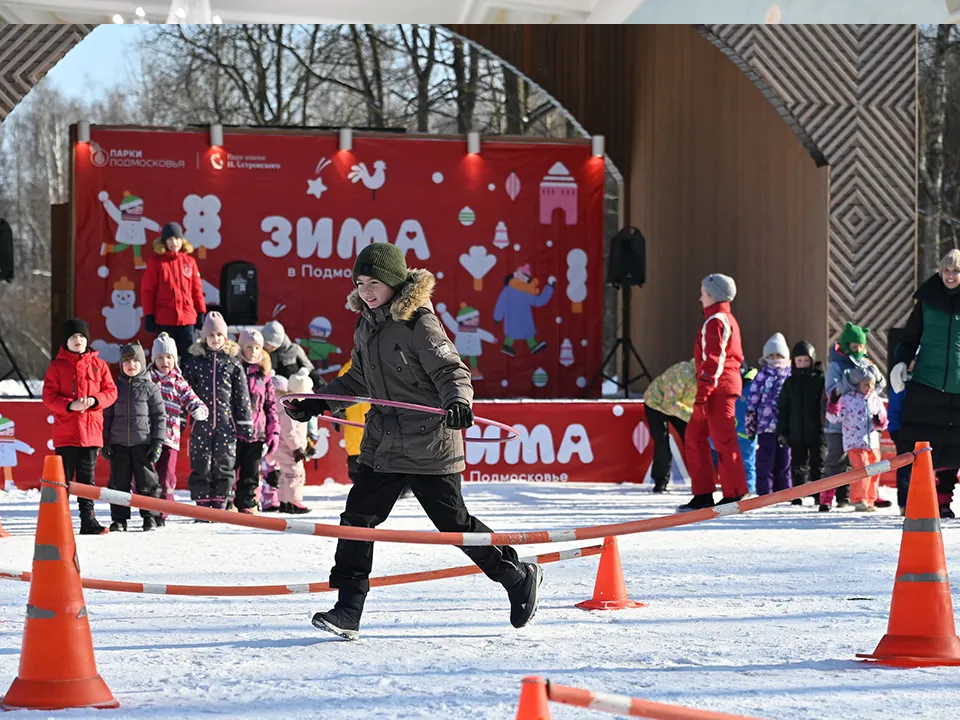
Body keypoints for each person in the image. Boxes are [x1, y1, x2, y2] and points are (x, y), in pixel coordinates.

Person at [285, 242, 542, 640]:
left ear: (394, 282)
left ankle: (516, 575)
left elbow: (451, 371)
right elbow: (358, 381)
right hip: (383, 443)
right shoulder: (366, 324)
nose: (367, 290)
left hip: (428, 443)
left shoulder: (418, 322)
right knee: (357, 521)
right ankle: (348, 609)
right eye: (360, 282)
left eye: (374, 282)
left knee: (453, 525)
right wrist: (318, 403)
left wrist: (458, 401)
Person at [892, 248, 960, 519]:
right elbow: (910, 337)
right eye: (946, 270)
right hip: (927, 384)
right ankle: (915, 500)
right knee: (919, 445)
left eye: (955, 271)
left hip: (958, 388)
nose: (950, 276)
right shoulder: (926, 302)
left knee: (954, 448)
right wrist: (900, 362)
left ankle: (943, 501)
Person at [679, 274, 748, 511]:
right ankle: (703, 493)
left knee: (722, 440)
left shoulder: (716, 321)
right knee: (695, 437)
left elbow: (713, 362)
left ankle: (734, 493)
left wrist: (703, 396)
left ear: (714, 295)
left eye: (704, 293)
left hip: (718, 389)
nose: (700, 298)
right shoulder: (722, 318)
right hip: (719, 387)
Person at [42, 318, 118, 535]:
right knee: (62, 480)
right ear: (66, 341)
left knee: (87, 480)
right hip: (66, 433)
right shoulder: (56, 366)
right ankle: (59, 522)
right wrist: (70, 405)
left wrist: (95, 400)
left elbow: (111, 392)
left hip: (91, 434)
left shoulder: (99, 365)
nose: (78, 340)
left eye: (82, 337)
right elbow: (48, 397)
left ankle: (88, 520)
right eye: (73, 337)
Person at [183, 311, 253, 511]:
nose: (215, 340)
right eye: (212, 336)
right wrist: (182, 418)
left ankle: (222, 500)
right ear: (205, 337)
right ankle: (203, 502)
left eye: (219, 336)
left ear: (225, 337)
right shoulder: (194, 363)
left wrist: (245, 423)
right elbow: (186, 392)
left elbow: (242, 397)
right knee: (201, 463)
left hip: (226, 424)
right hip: (201, 424)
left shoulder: (233, 364)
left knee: (224, 462)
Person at [102, 342, 166, 532]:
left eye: (135, 361)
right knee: (118, 483)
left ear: (142, 363)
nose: (132, 365)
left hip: (143, 443)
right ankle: (120, 519)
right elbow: (107, 416)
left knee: (147, 482)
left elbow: (159, 416)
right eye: (127, 361)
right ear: (121, 365)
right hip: (119, 444)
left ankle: (150, 516)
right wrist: (105, 441)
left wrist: (157, 442)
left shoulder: (150, 388)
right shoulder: (115, 388)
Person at [149, 332, 208, 525]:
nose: (164, 361)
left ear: (174, 359)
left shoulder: (178, 381)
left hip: (169, 436)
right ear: (153, 359)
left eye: (168, 357)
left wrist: (199, 409)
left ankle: (163, 510)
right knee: (148, 474)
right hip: (148, 436)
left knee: (166, 475)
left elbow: (191, 398)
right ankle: (148, 509)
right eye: (160, 357)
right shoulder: (148, 379)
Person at [824, 322, 882, 509]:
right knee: (836, 460)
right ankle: (826, 497)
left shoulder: (866, 363)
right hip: (839, 422)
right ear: (846, 345)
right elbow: (832, 390)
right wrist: (854, 382)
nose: (858, 350)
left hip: (862, 425)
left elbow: (878, 385)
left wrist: (873, 377)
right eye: (854, 346)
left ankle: (855, 496)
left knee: (862, 462)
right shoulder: (836, 365)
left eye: (861, 346)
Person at [142, 223, 207, 359]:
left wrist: (201, 311)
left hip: (187, 319)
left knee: (190, 357)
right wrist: (149, 315)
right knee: (166, 356)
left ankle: (189, 380)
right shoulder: (156, 263)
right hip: (165, 319)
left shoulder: (189, 262)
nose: (174, 242)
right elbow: (148, 291)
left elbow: (197, 289)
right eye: (170, 239)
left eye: (177, 239)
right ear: (164, 241)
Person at [236, 328, 280, 514]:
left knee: (251, 471)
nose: (253, 351)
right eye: (249, 347)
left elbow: (271, 406)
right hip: (234, 431)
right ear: (241, 348)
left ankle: (247, 504)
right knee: (229, 468)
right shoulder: (233, 369)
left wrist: (273, 432)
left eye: (257, 347)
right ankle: (228, 502)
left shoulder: (264, 375)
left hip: (257, 432)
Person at [777, 341, 825, 507]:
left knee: (818, 463)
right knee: (798, 464)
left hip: (817, 431)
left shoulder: (819, 379)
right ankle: (798, 493)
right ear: (794, 362)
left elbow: (825, 406)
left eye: (806, 360)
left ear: (812, 360)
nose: (803, 364)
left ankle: (819, 494)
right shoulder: (790, 383)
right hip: (796, 431)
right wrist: (782, 431)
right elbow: (783, 409)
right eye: (799, 361)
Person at [745, 333, 792, 496]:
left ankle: (784, 492)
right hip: (766, 426)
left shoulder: (789, 375)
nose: (774, 359)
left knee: (785, 460)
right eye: (771, 356)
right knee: (765, 459)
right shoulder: (762, 375)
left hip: (785, 425)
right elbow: (753, 400)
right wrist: (751, 422)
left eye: (778, 355)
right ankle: (765, 492)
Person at [642, 359, 696, 493]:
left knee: (693, 442)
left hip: (681, 407)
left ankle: (700, 480)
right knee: (662, 443)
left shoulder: (713, 376)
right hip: (656, 403)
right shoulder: (683, 372)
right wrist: (693, 418)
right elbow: (669, 403)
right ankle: (660, 482)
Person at [274, 369, 312, 513]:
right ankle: (294, 502)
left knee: (286, 474)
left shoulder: (284, 402)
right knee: (295, 473)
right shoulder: (290, 408)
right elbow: (288, 431)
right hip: (288, 446)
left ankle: (284, 501)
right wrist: (297, 448)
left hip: (283, 445)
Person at [262, 320, 325, 391]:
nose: (266, 347)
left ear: (279, 343)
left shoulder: (294, 350)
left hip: (294, 394)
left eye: (271, 345)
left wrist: (326, 392)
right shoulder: (260, 352)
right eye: (265, 343)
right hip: (271, 393)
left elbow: (312, 373)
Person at [735, 363, 759, 495]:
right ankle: (735, 489)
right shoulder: (730, 382)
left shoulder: (752, 384)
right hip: (731, 430)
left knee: (747, 463)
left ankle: (748, 490)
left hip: (747, 431)